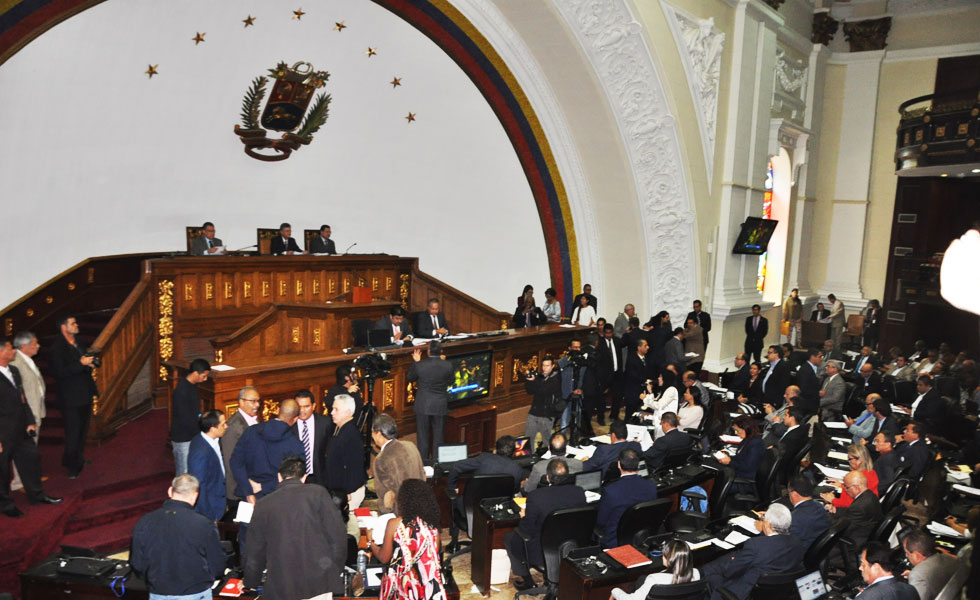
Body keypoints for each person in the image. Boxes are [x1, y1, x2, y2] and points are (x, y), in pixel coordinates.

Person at [244, 457, 347, 599]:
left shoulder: (263, 504)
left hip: (281, 585)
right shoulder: (318, 493)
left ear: (279, 477)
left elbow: (254, 551)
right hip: (318, 582)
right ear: (304, 477)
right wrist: (334, 569)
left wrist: (251, 581)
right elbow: (338, 537)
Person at [130, 474, 225, 600]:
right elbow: (217, 566)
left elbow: (136, 563)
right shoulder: (204, 524)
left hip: (159, 592)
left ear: (170, 491)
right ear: (195, 495)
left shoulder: (145, 521)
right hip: (195, 592)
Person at [504, 459, 588, 590]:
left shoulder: (536, 496)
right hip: (570, 547)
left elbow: (527, 529)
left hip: (542, 552)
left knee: (510, 538)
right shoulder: (579, 492)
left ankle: (528, 581)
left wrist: (523, 517)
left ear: (547, 478)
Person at [0, 336, 61, 517]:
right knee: (2, 471)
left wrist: (29, 421)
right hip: (3, 433)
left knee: (31, 460)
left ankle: (37, 495)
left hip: (21, 429)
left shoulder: (14, 370)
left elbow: (23, 399)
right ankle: (6, 505)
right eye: (10, 349)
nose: (13, 352)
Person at [702, 503, 804, 600]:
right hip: (776, 591)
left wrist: (734, 560)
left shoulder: (755, 545)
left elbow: (731, 572)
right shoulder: (797, 543)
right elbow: (773, 543)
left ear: (767, 524)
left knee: (711, 573)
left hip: (744, 592)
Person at [369, 479, 448, 600]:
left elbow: (384, 558)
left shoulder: (395, 524)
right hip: (427, 588)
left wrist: (371, 542)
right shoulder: (433, 528)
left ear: (403, 501)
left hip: (402, 586)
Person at [49, 315, 97, 478]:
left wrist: (88, 365)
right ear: (64, 327)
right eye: (73, 323)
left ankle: (78, 458)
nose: (77, 325)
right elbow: (59, 372)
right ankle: (72, 467)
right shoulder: (57, 348)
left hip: (84, 392)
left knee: (82, 430)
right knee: (73, 432)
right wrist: (80, 364)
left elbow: (82, 363)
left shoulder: (79, 341)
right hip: (70, 397)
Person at [230, 399, 305, 505]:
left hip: (249, 497)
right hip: (279, 499)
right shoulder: (295, 444)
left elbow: (235, 462)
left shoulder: (251, 431)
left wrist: (248, 490)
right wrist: (263, 487)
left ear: (278, 410)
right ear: (296, 419)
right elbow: (293, 477)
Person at [596, 448, 658, 547]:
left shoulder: (610, 491)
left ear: (619, 465)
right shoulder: (651, 486)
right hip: (641, 538)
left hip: (615, 541)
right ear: (638, 466)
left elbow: (601, 522)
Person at [371, 413, 426, 514]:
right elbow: (423, 475)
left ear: (379, 434)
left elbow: (386, 497)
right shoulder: (411, 446)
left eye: (372, 432)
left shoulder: (381, 459)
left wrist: (386, 519)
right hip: (420, 507)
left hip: (400, 514)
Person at [407, 341, 454, 460]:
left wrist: (416, 362)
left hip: (423, 404)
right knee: (439, 436)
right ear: (441, 352)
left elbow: (410, 377)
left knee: (423, 437)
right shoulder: (448, 365)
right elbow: (450, 381)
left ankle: (424, 465)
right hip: (440, 404)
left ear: (428, 352)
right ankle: (437, 465)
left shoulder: (420, 365)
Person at [612, 540, 700, 600]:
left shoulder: (655, 579)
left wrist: (615, 591)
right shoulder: (695, 573)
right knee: (642, 579)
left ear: (668, 559)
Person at [325, 394, 367, 508]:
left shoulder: (351, 435)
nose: (332, 412)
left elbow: (354, 467)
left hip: (349, 495)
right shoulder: (339, 428)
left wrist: (347, 491)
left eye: (336, 409)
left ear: (347, 413)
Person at [170, 358, 211, 476]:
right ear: (196, 373)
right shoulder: (182, 391)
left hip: (191, 435)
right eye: (204, 376)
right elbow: (185, 418)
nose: (205, 379)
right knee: (183, 473)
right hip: (183, 437)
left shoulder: (192, 386)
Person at [220, 386, 261, 500]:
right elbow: (230, 462)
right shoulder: (233, 427)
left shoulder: (254, 420)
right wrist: (246, 486)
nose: (257, 405)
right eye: (253, 401)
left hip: (254, 484)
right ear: (241, 402)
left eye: (258, 401)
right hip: (240, 489)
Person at [187, 410, 227, 522]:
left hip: (220, 498)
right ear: (213, 429)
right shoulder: (200, 453)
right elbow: (199, 486)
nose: (226, 426)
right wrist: (209, 516)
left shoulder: (211, 439)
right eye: (223, 424)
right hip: (211, 508)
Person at [447, 435, 525, 494]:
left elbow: (455, 466)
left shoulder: (484, 458)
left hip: (475, 504)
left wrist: (452, 487)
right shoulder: (517, 469)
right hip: (500, 505)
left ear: (496, 448)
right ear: (514, 452)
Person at [828, 471, 882, 552]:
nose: (845, 490)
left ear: (857, 488)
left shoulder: (859, 506)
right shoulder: (870, 495)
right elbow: (850, 512)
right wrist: (836, 510)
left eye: (846, 487)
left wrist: (826, 515)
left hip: (852, 545)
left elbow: (842, 529)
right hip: (863, 533)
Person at [902, 528, 958, 600]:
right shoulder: (948, 558)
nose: (907, 556)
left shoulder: (917, 575)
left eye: (907, 553)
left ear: (917, 555)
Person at [11, 332, 44, 444]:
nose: (38, 346)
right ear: (24, 346)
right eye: (35, 343)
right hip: (26, 412)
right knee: (25, 448)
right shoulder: (15, 362)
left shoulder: (28, 360)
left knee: (32, 446)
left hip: (35, 408)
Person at [524, 355, 562, 451]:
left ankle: (546, 460)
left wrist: (534, 381)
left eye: (547, 366)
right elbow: (530, 391)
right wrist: (529, 381)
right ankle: (530, 459)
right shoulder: (540, 377)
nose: (544, 368)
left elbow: (543, 390)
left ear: (553, 366)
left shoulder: (556, 378)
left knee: (547, 441)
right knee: (528, 439)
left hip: (546, 415)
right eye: (543, 365)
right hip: (534, 413)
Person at [293, 390, 330, 486]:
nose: (302, 410)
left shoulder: (325, 423)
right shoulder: (290, 425)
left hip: (320, 476)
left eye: (306, 406)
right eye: (299, 406)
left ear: (313, 406)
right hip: (296, 477)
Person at [786, 475, 829, 550]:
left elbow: (784, 542)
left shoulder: (796, 519)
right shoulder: (819, 506)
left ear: (794, 494)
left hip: (800, 554)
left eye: (788, 492)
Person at [717, 416, 764, 481]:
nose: (736, 433)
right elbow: (740, 458)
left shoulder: (756, 444)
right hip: (739, 473)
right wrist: (727, 458)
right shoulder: (746, 440)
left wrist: (729, 462)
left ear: (746, 429)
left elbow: (748, 467)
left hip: (745, 480)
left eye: (737, 430)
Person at [597, 324, 623, 426]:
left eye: (610, 333)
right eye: (607, 333)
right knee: (601, 399)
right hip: (605, 376)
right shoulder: (600, 344)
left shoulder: (617, 341)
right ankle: (600, 417)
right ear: (604, 333)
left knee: (617, 396)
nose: (609, 335)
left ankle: (614, 415)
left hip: (617, 374)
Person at [623, 339, 651, 418]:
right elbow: (633, 375)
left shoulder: (647, 358)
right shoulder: (631, 359)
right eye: (645, 346)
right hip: (633, 392)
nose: (648, 347)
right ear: (639, 347)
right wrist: (646, 380)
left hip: (644, 391)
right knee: (631, 414)